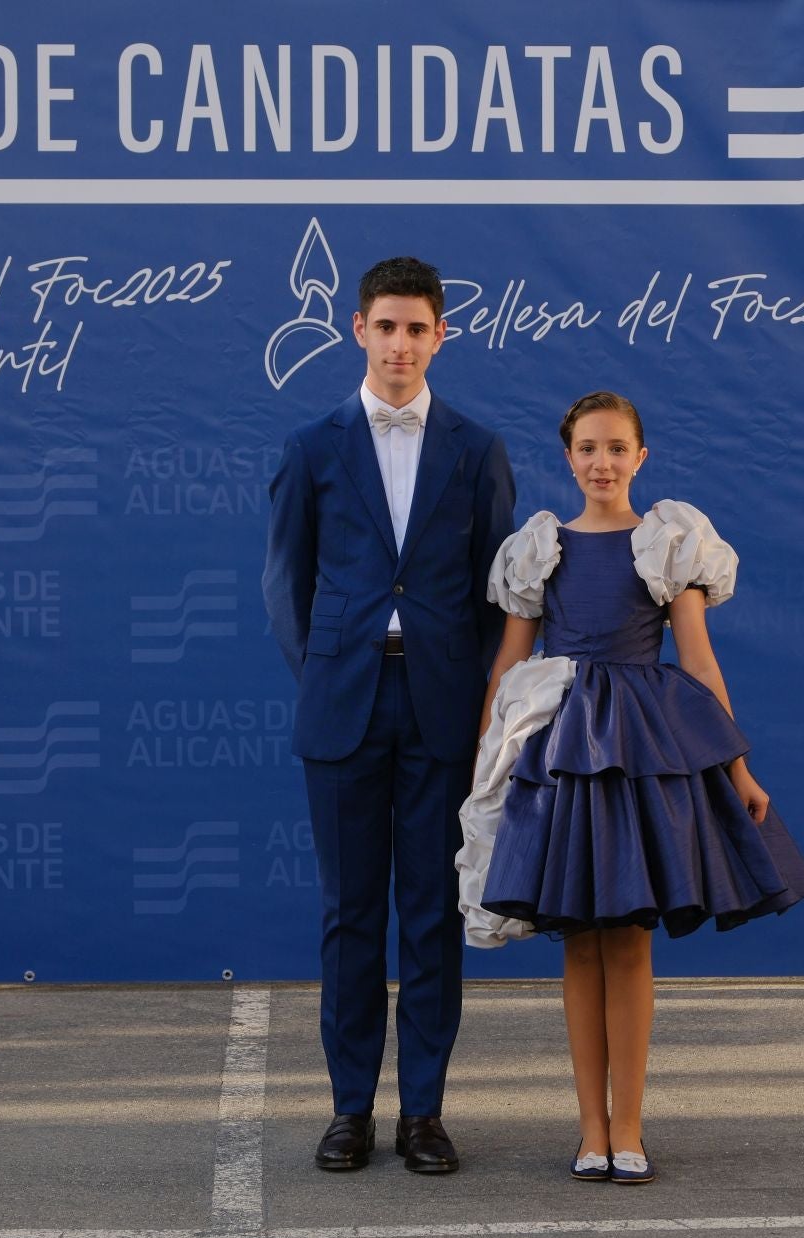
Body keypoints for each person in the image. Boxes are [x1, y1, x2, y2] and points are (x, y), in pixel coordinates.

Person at [455, 391, 804, 1185]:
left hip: (642, 750)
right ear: (568, 457)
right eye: (588, 448)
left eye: (617, 449)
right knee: (579, 943)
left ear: (641, 458)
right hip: (562, 754)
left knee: (629, 942)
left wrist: (738, 767)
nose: (602, 462)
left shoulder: (667, 544)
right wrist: (489, 764)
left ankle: (630, 1127)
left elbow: (700, 665)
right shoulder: (537, 550)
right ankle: (588, 1130)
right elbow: (507, 669)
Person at [263, 257, 515, 1175]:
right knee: (349, 914)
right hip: (344, 709)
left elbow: (499, 593)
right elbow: (286, 587)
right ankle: (349, 1110)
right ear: (357, 329)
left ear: (441, 335)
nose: (402, 344)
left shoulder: (477, 449)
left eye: (419, 328)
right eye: (386, 326)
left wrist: (467, 682)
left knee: (431, 915)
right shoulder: (312, 447)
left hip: (442, 707)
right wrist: (329, 675)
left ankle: (425, 1115)